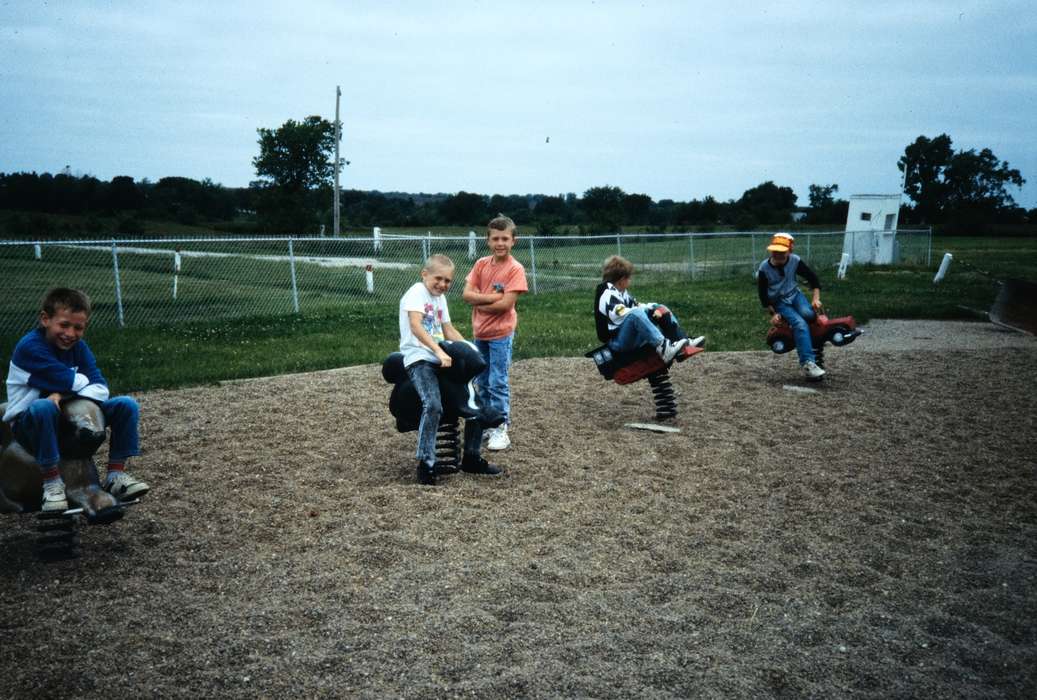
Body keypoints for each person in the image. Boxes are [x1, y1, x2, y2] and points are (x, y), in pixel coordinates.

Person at [3, 287, 149, 513]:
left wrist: (62, 394)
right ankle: (52, 483)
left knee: (125, 405)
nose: (70, 333)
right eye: (64, 325)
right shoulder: (30, 348)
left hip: (66, 417)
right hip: (28, 425)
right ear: (45, 319)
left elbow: (101, 388)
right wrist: (75, 384)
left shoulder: (79, 348)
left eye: (78, 327)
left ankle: (115, 475)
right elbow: (75, 382)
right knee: (43, 406)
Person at [400, 254, 501, 486]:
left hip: (442, 357)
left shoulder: (439, 299)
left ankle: (472, 457)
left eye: (448, 281)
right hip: (420, 359)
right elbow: (416, 326)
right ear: (424, 274)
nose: (443, 284)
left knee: (473, 400)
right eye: (438, 278)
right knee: (433, 404)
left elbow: (448, 330)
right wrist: (438, 351)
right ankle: (425, 463)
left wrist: (470, 350)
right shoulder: (416, 293)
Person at [461, 214, 528, 451]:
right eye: (495, 239)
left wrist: (478, 302)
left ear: (513, 241)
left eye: (505, 239)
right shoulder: (481, 264)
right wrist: (489, 298)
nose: (500, 243)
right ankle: (488, 422)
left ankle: (501, 428)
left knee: (498, 381)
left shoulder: (515, 269)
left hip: (501, 334)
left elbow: (505, 305)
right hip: (480, 332)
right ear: (488, 241)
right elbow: (466, 294)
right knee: (481, 380)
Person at [597, 255, 705, 360]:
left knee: (660, 308)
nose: (630, 280)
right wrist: (644, 310)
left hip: (627, 336)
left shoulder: (621, 292)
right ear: (621, 280)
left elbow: (637, 305)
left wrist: (652, 307)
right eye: (628, 277)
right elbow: (621, 313)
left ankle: (682, 341)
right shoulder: (607, 294)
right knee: (636, 314)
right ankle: (664, 349)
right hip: (617, 342)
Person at [757, 232, 826, 380]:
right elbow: (763, 295)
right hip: (779, 301)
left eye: (782, 252)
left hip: (795, 294)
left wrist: (816, 299)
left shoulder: (795, 261)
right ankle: (808, 363)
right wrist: (774, 314)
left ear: (790, 251)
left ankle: (804, 331)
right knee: (800, 324)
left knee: (808, 314)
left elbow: (812, 278)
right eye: (775, 251)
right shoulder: (764, 268)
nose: (778, 255)